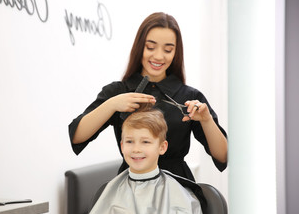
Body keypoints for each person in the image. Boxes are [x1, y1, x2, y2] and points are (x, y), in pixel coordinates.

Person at [69, 12, 228, 183]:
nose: (159, 56)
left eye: (168, 49)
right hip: (131, 188)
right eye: (151, 47)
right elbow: (77, 136)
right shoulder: (118, 92)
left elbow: (223, 155)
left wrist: (206, 120)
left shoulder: (189, 97)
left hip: (177, 189)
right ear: (140, 48)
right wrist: (112, 104)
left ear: (176, 52)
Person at [74, 105, 209, 214]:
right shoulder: (110, 190)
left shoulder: (179, 195)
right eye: (130, 141)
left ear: (162, 147)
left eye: (145, 142)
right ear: (122, 146)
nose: (136, 149)